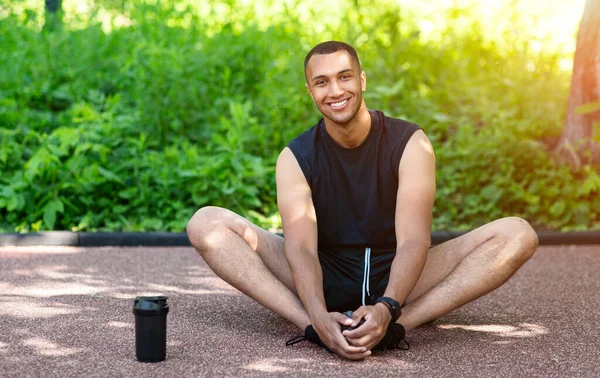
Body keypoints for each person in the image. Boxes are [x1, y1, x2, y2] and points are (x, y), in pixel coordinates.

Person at [186, 41, 539, 360]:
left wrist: (388, 306)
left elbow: (415, 240)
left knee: (517, 233)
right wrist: (315, 315)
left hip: (398, 274)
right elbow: (302, 249)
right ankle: (316, 327)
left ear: (362, 80)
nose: (335, 90)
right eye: (322, 82)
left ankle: (397, 326)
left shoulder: (410, 142)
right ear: (310, 91)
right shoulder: (295, 157)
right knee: (206, 223)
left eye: (344, 77)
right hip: (326, 272)